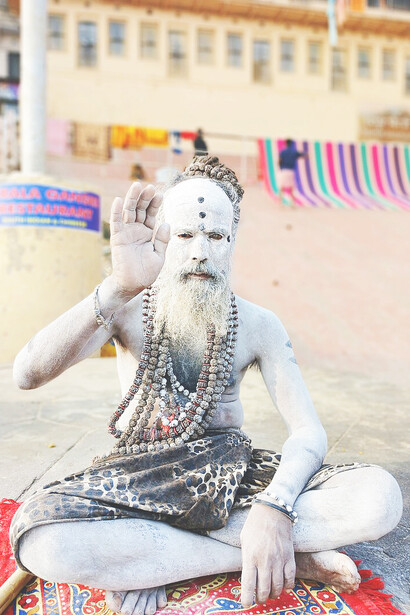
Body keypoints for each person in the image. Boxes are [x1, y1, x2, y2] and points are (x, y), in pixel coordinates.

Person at [10, 156, 402, 615]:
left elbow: (307, 431)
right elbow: (26, 374)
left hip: (232, 475)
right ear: (162, 237)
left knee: (380, 498)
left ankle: (156, 560)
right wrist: (118, 285)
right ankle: (270, 556)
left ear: (232, 241)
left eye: (215, 237)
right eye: (185, 235)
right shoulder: (126, 306)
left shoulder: (258, 324)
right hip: (141, 478)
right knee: (40, 540)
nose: (200, 251)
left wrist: (274, 508)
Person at [278, 139, 307, 207]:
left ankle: (280, 203)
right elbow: (303, 155)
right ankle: (292, 203)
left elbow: (279, 161)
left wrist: (280, 167)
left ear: (285, 143)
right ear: (291, 144)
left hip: (284, 171)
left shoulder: (283, 152)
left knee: (281, 187)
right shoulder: (293, 152)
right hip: (291, 171)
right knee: (291, 189)